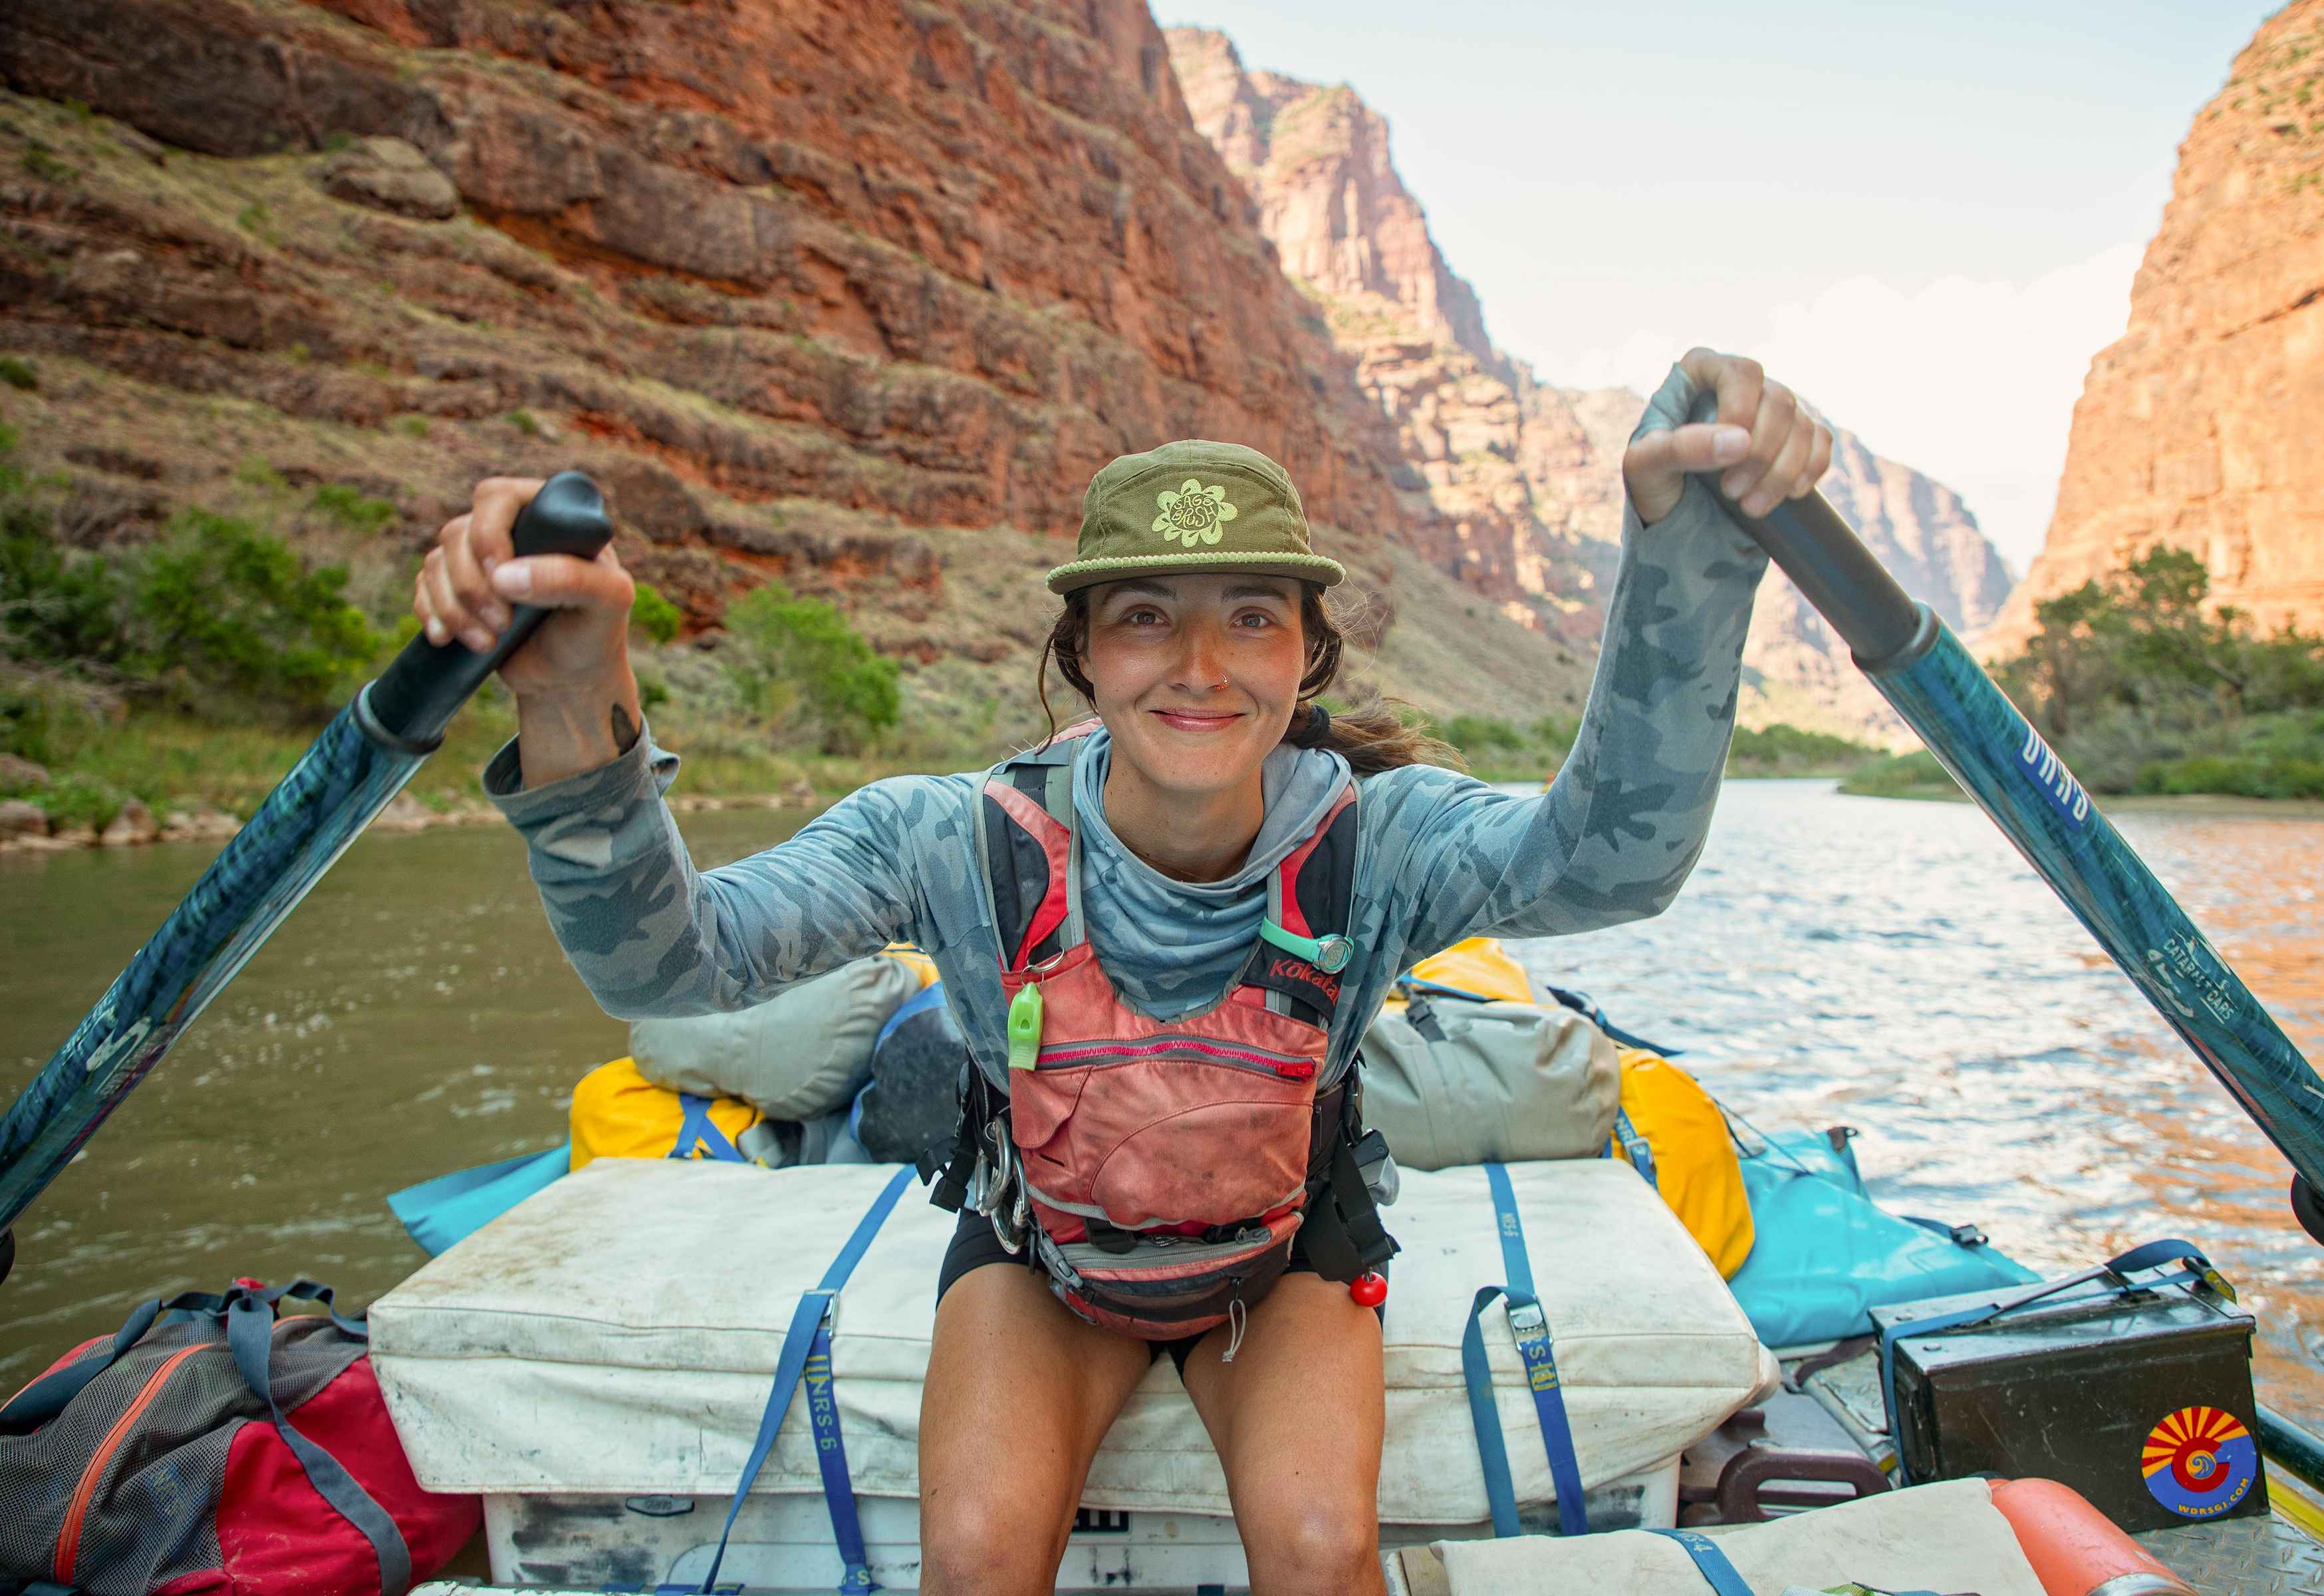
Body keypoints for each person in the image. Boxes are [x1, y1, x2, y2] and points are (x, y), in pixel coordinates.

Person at [416, 349, 1830, 1595]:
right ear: (1083, 653)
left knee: (1325, 1554)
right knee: (971, 1558)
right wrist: (565, 700)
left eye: (1252, 616)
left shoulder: (1382, 839)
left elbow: (1613, 863)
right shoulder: (949, 838)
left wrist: (1687, 570)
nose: (1200, 665)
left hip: (1281, 1262)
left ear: (1306, 653)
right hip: (1043, 1259)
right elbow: (669, 966)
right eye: (1147, 614)